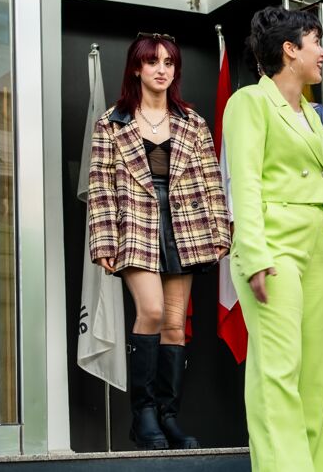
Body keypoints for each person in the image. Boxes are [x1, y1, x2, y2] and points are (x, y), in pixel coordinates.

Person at [226, 6, 323, 472]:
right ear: (290, 50)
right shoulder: (249, 102)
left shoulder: (314, 116)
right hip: (271, 247)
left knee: (313, 382)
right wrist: (253, 255)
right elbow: (245, 183)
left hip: (315, 249)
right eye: (316, 41)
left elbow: (318, 186)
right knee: (278, 375)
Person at [87, 32, 231, 450]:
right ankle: (143, 415)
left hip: (185, 226)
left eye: (169, 63)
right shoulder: (112, 122)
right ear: (137, 67)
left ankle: (169, 416)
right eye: (153, 62)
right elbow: (99, 188)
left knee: (174, 323)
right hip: (135, 225)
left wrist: (220, 231)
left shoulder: (192, 121)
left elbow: (211, 180)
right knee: (149, 311)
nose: (162, 70)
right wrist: (103, 242)